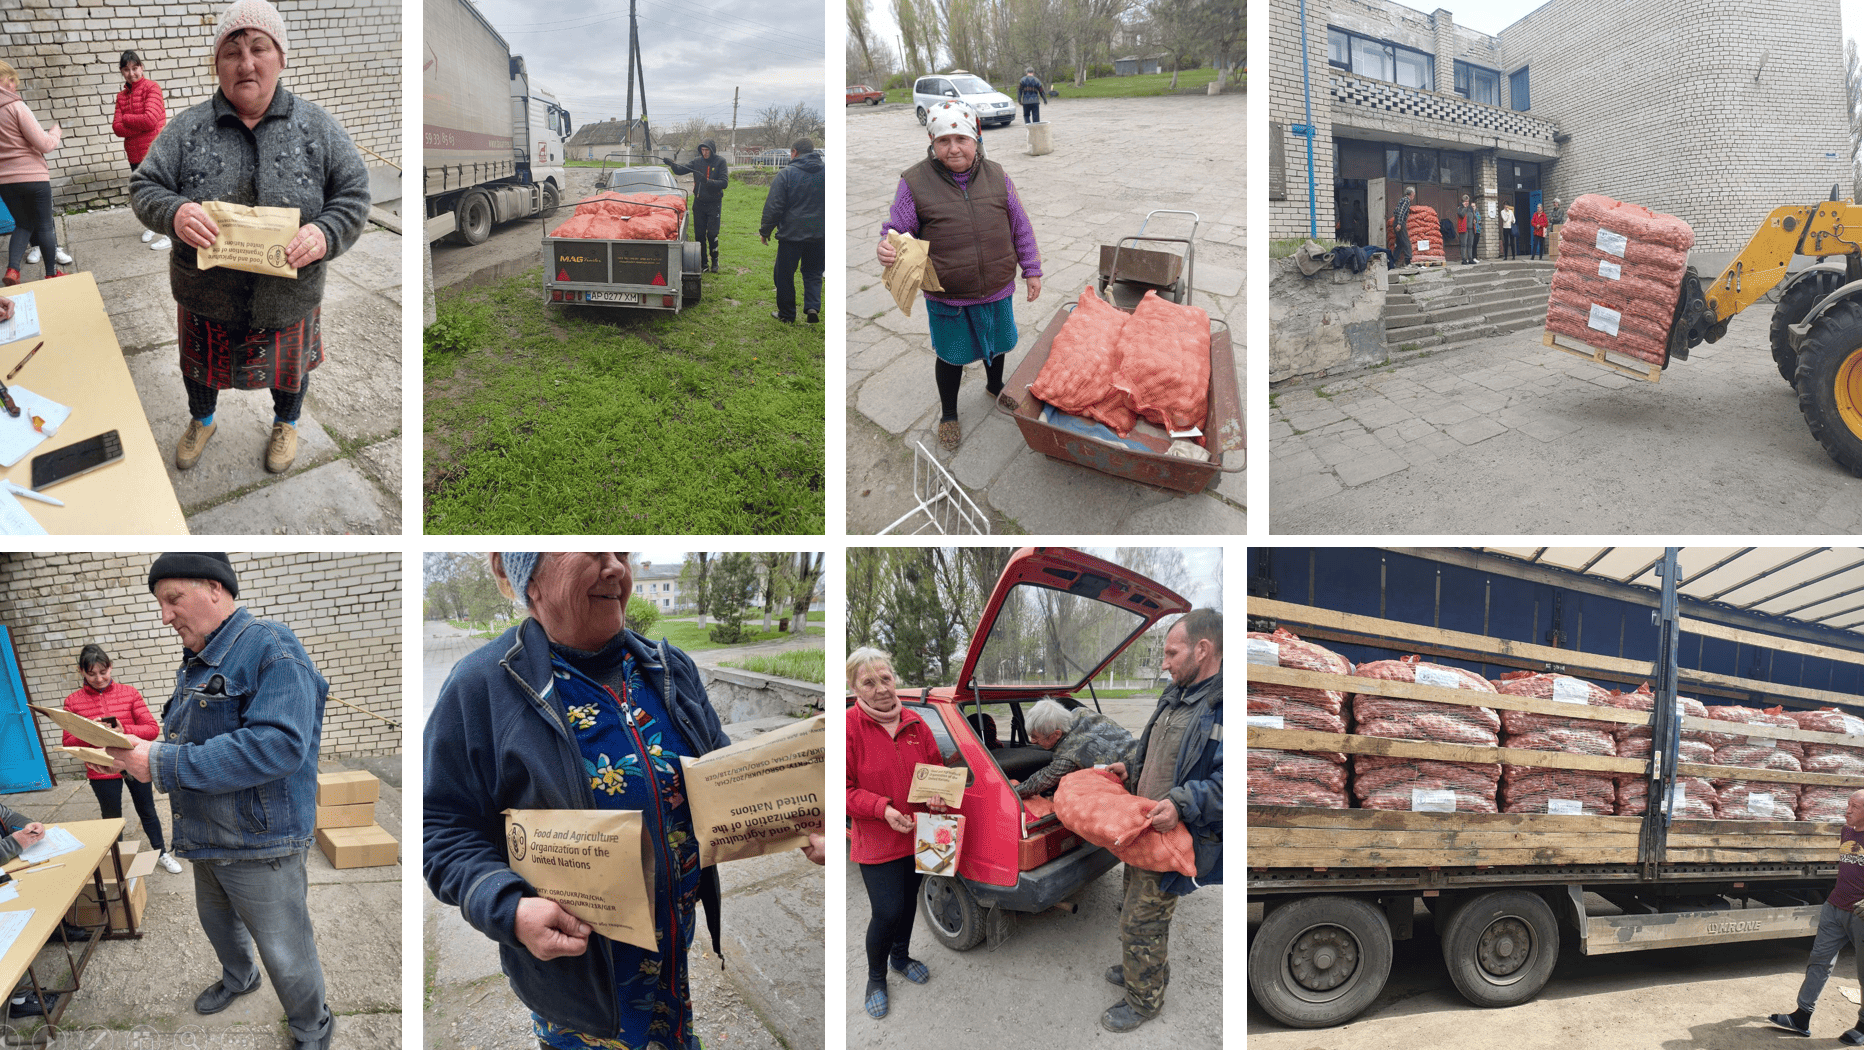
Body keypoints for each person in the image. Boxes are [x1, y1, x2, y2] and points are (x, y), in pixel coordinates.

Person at [427, 553, 817, 1050]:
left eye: (622, 553)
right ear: (533, 582)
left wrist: (801, 816)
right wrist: (508, 908)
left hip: (671, 955)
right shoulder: (481, 688)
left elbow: (726, 774)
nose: (615, 568)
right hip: (577, 983)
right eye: (592, 552)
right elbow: (439, 826)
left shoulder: (667, 667)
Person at [103, 552, 334, 1050]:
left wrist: (162, 763)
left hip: (261, 842)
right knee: (219, 926)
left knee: (286, 949)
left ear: (214, 588)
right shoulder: (200, 662)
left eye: (172, 599)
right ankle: (240, 977)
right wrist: (140, 750)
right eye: (159, 604)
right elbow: (196, 739)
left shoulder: (271, 648)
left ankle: (311, 1024)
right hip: (208, 833)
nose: (165, 616)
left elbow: (279, 745)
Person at [130, 0, 372, 476]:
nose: (246, 63)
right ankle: (202, 419)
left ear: (280, 57)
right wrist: (175, 211)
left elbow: (354, 194)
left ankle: (286, 422)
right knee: (199, 368)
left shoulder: (317, 128)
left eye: (259, 48)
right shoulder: (187, 128)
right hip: (205, 294)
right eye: (231, 51)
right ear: (216, 63)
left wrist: (325, 233)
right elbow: (144, 185)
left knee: (291, 369)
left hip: (289, 294)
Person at [875, 100, 1043, 452]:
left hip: (996, 286)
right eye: (943, 141)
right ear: (932, 143)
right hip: (948, 292)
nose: (953, 148)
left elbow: (1021, 226)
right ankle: (949, 413)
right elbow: (897, 231)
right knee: (951, 355)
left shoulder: (998, 175)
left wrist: (1032, 269)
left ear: (976, 138)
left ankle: (994, 386)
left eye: (961, 139)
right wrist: (886, 248)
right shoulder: (915, 182)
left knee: (997, 345)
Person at [1099, 609, 1222, 1033]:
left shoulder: (1222, 708)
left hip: (1174, 835)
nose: (1164, 662)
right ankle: (1145, 966)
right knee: (1137, 910)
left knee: (1141, 920)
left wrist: (1183, 803)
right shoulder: (1175, 695)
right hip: (1143, 830)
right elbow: (1154, 750)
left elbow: (1232, 782)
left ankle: (1144, 1000)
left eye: (1171, 652)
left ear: (1202, 650)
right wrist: (1128, 767)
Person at [846, 646, 950, 1020]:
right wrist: (883, 809)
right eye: (868, 682)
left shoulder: (916, 723)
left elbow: (935, 770)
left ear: (895, 679)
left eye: (885, 678)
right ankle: (876, 978)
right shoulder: (847, 727)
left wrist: (939, 799)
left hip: (922, 834)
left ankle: (901, 957)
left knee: (909, 904)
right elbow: (840, 790)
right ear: (855, 687)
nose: (880, 688)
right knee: (887, 911)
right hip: (878, 839)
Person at [60, 644, 182, 874]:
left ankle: (162, 852)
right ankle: (119, 861)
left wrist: (123, 729)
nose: (99, 678)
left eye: (103, 672)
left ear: (110, 667)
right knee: (112, 816)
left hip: (133, 763)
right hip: (101, 767)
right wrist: (91, 731)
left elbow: (152, 729)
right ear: (81, 672)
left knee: (147, 810)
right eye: (92, 673)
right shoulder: (73, 702)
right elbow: (68, 742)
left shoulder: (129, 693)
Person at [1770, 789, 1864, 1043]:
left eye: (1854, 806)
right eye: (1847, 804)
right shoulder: (1847, 832)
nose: (1847, 810)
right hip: (1834, 908)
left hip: (1860, 914)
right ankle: (1801, 1016)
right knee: (1819, 961)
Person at [0, 59, 65, 286]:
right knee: (45, 225)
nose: (15, 86)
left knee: (23, 224)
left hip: (5, 182)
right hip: (33, 177)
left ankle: (13, 269)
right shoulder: (17, 107)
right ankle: (51, 273)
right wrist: (55, 132)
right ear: (4, 80)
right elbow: (44, 144)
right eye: (12, 81)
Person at [1014, 698, 1135, 799]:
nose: (1032, 741)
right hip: (1141, 752)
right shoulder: (1082, 711)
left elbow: (1039, 781)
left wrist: (1013, 792)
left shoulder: (1068, 756)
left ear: (1056, 734)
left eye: (1035, 737)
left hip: (1135, 779)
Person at [760, 138, 825, 325]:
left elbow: (774, 206)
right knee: (813, 272)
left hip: (791, 236)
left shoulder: (786, 174)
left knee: (784, 275)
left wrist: (765, 231)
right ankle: (812, 306)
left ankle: (787, 314)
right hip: (820, 234)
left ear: (794, 152)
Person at [111, 50, 169, 252]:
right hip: (134, 154)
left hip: (154, 151)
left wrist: (127, 118)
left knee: (162, 193)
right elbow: (116, 128)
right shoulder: (121, 96)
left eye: (135, 68)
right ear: (122, 72)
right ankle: (152, 226)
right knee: (143, 195)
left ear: (141, 67)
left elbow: (150, 120)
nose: (131, 73)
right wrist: (136, 123)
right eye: (126, 70)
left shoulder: (152, 88)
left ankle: (170, 234)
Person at [666, 139, 729, 273]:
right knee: (699, 235)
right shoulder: (697, 162)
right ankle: (703, 263)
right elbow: (680, 170)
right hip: (699, 203)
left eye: (707, 150)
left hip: (714, 203)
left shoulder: (720, 162)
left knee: (712, 234)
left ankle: (715, 261)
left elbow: (724, 183)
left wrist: (708, 181)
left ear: (712, 150)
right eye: (702, 150)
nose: (704, 153)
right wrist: (671, 164)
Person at [1391, 186, 1416, 267]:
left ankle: (1393, 262)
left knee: (1400, 244)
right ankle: (1407, 262)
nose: (1413, 197)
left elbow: (1395, 211)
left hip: (1396, 221)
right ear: (1411, 194)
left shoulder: (1402, 200)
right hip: (1400, 223)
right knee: (1406, 242)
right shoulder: (1406, 201)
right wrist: (1399, 223)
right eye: (1414, 195)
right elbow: (1401, 212)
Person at [1456, 195, 1478, 265]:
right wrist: (1464, 208)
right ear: (1462, 202)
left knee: (1470, 244)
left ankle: (1470, 259)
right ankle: (1464, 260)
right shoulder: (1460, 208)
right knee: (1464, 244)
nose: (1467, 203)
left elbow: (1474, 216)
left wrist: (1475, 220)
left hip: (1471, 228)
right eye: (1465, 201)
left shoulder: (1470, 208)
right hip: (1464, 229)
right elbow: (1461, 215)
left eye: (1468, 201)